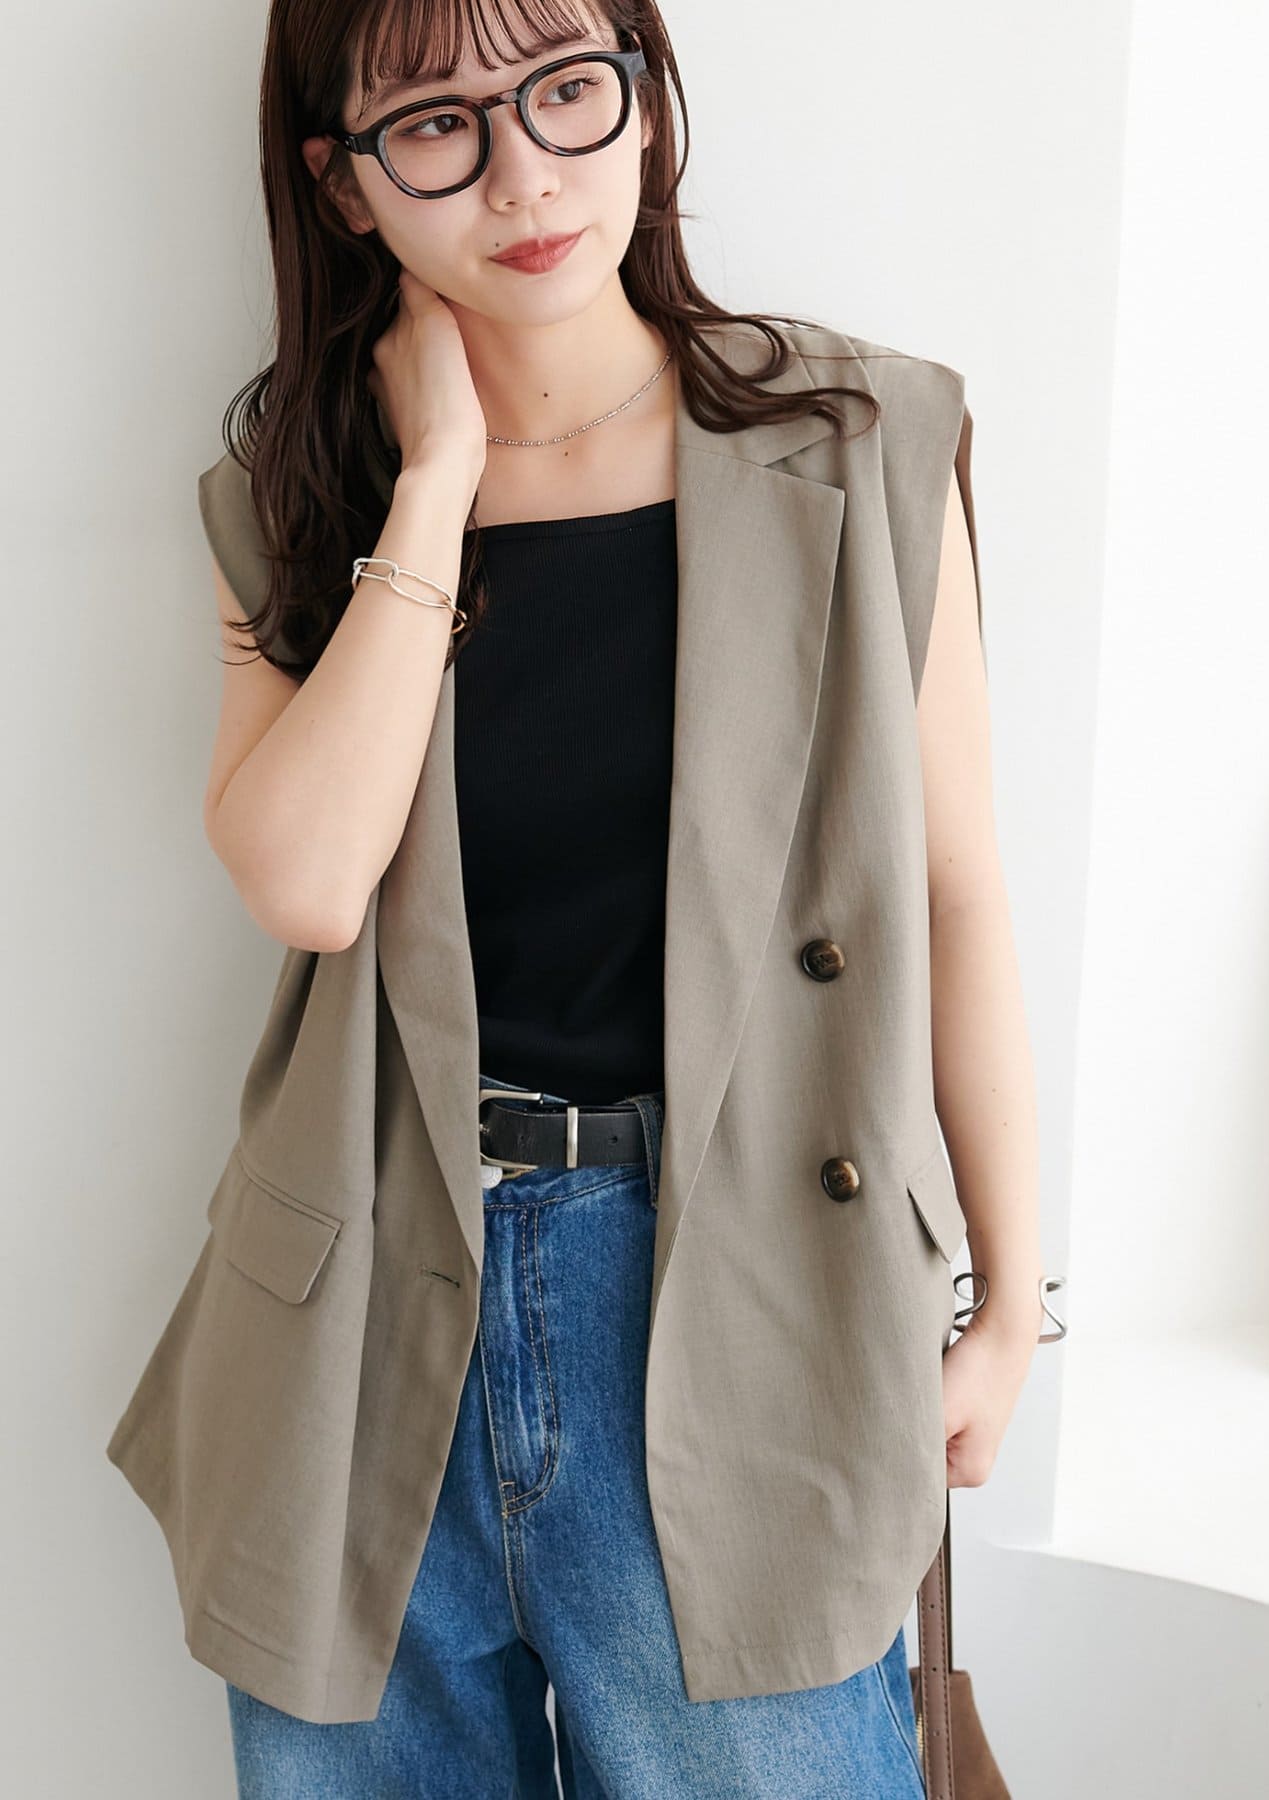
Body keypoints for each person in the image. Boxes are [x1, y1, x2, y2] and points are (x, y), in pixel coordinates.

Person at [110, 0, 1044, 1792]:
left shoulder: (857, 439)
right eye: (435, 122)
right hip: (364, 1320)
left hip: (745, 1295)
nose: (525, 172)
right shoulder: (296, 497)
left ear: (643, 96)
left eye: (565, 89)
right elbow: (306, 882)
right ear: (344, 183)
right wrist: (435, 487)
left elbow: (956, 895)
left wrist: (1008, 1299)